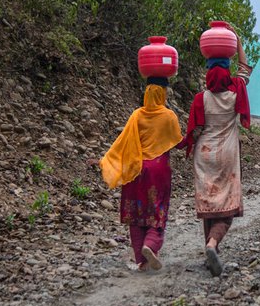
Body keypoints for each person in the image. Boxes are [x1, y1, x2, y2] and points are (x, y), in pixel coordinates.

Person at [183, 27, 252, 277]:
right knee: (227, 206)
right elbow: (244, 70)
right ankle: (213, 245)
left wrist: (184, 146)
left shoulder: (201, 98)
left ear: (208, 73)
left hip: (204, 154)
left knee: (209, 203)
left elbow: (194, 130)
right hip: (227, 154)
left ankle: (208, 248)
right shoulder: (236, 92)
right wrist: (239, 41)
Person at [99, 77, 182, 272]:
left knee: (136, 215)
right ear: (162, 94)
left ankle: (141, 260)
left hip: (135, 169)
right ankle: (150, 245)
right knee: (157, 211)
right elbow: (178, 141)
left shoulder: (136, 115)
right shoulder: (169, 116)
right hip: (158, 171)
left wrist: (106, 160)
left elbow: (123, 141)